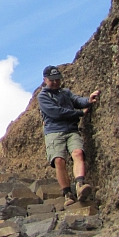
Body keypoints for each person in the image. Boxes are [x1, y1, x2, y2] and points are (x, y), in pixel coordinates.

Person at [37, 65, 99, 204]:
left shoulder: (66, 92)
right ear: (45, 80)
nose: (55, 82)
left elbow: (77, 100)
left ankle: (80, 185)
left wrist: (88, 100)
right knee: (59, 160)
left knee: (78, 153)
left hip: (71, 129)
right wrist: (79, 113)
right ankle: (67, 194)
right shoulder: (43, 97)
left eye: (57, 79)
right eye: (52, 80)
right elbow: (56, 112)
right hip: (53, 131)